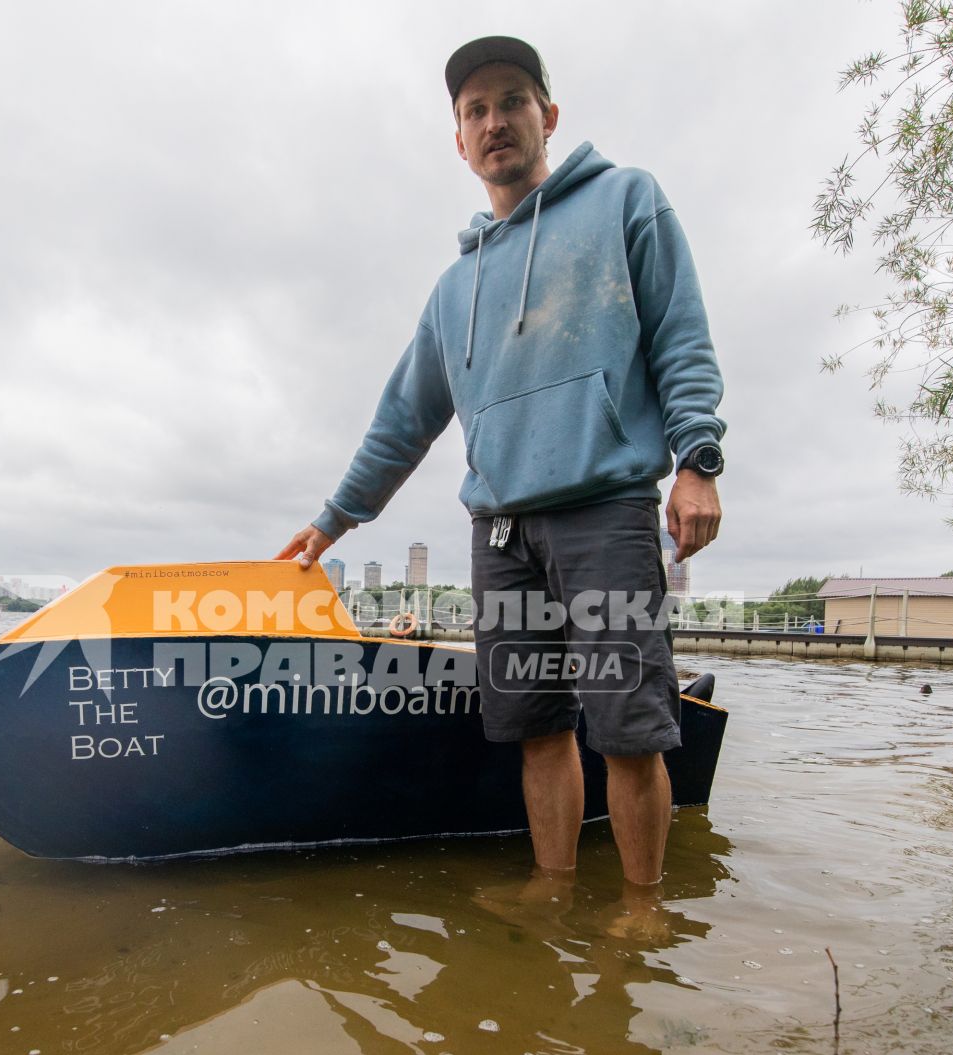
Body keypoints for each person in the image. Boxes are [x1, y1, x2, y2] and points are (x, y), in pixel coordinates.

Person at [276, 36, 727, 896]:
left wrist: (698, 459)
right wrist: (335, 519)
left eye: (511, 101)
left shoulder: (627, 200)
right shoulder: (455, 288)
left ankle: (641, 913)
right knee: (535, 728)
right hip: (502, 532)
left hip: (604, 513)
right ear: (459, 140)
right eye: (474, 111)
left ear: (546, 116)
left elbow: (682, 336)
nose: (494, 122)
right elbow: (404, 419)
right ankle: (553, 887)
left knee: (630, 731)